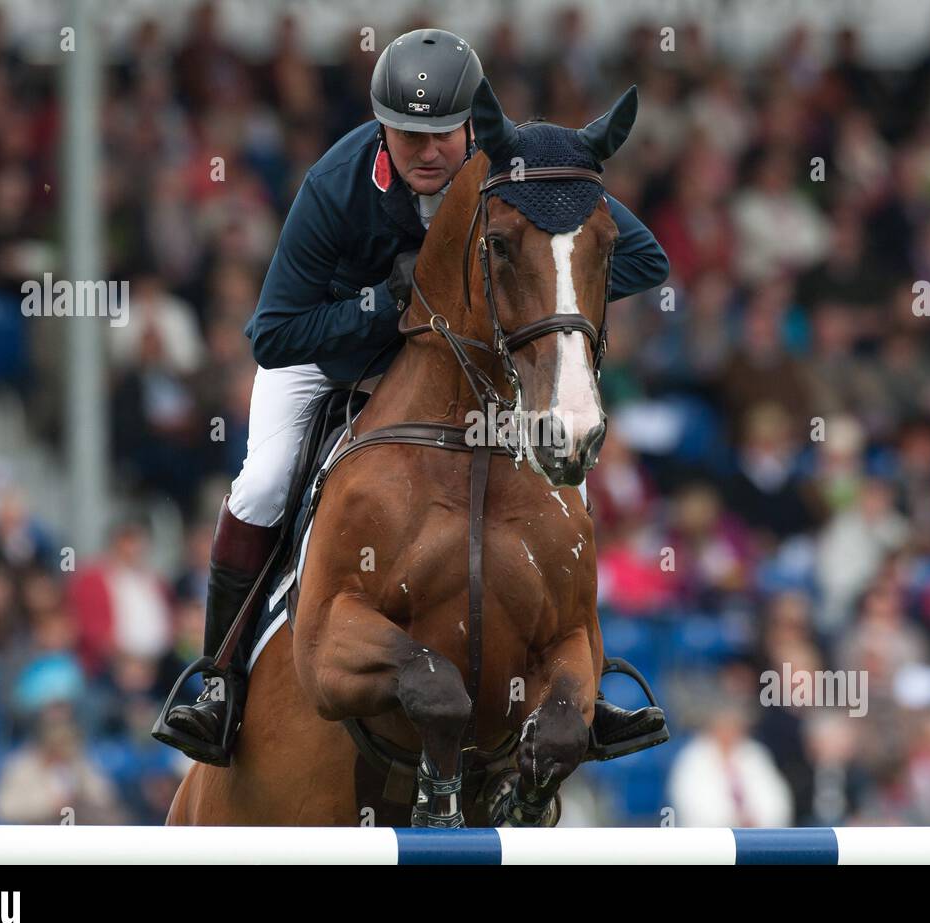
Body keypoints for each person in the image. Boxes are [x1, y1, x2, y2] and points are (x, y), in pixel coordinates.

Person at [158, 29, 671, 765]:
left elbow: (639, 257)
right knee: (263, 485)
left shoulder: (507, 172)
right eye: (408, 136)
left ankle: (585, 688)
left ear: (471, 125)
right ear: (381, 128)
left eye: (443, 134)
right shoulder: (336, 186)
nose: (428, 152)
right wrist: (384, 303)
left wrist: (535, 290)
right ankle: (219, 681)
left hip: (452, 368)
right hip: (329, 359)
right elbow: (273, 335)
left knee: (557, 483)